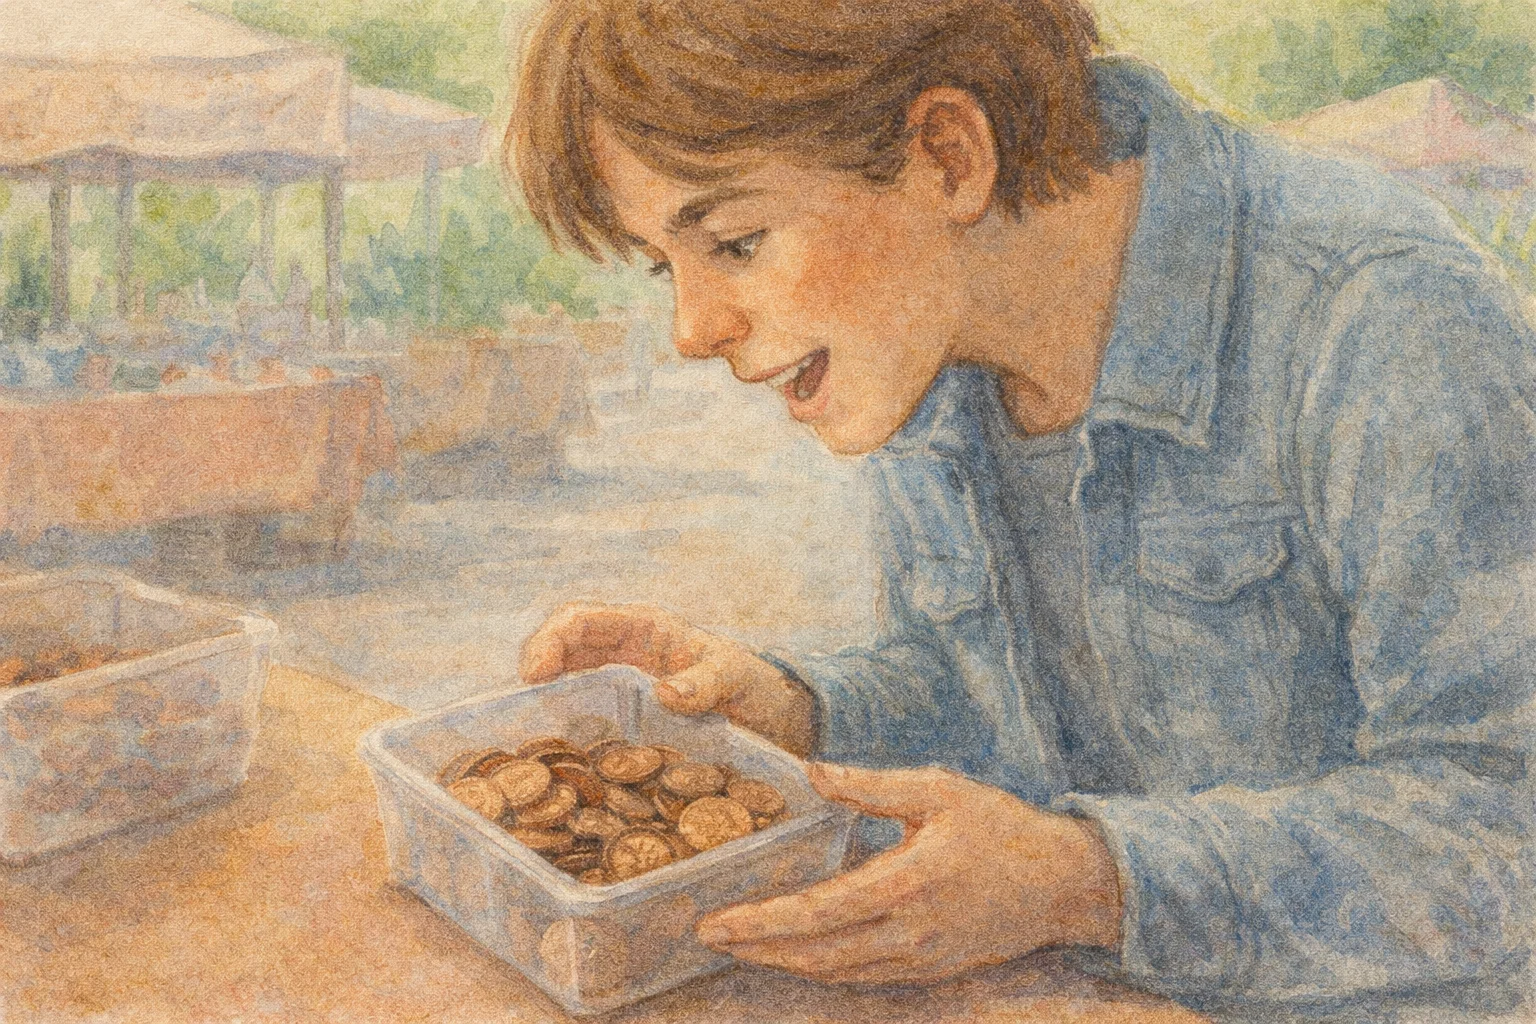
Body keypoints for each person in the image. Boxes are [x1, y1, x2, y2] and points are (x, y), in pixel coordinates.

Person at [510, 0, 1534, 1017]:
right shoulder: (921, 339)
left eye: (734, 240)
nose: (690, 330)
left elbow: (1506, 823)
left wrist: (1085, 878)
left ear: (950, 157)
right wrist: (796, 711)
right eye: (664, 264)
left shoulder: (1384, 320)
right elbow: (986, 698)